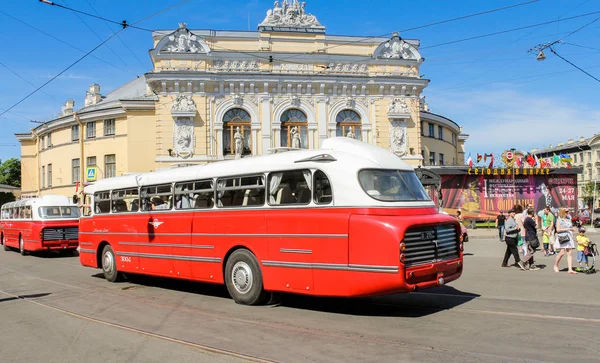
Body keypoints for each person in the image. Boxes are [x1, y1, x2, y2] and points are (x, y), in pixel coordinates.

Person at [553, 207, 578, 274]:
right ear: (562, 212)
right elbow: (558, 230)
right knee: (562, 253)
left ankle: (570, 269)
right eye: (566, 211)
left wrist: (572, 228)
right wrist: (568, 229)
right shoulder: (559, 220)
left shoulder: (569, 218)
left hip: (569, 237)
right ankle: (555, 265)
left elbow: (570, 226)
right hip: (562, 237)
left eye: (568, 211)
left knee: (569, 253)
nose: (568, 212)